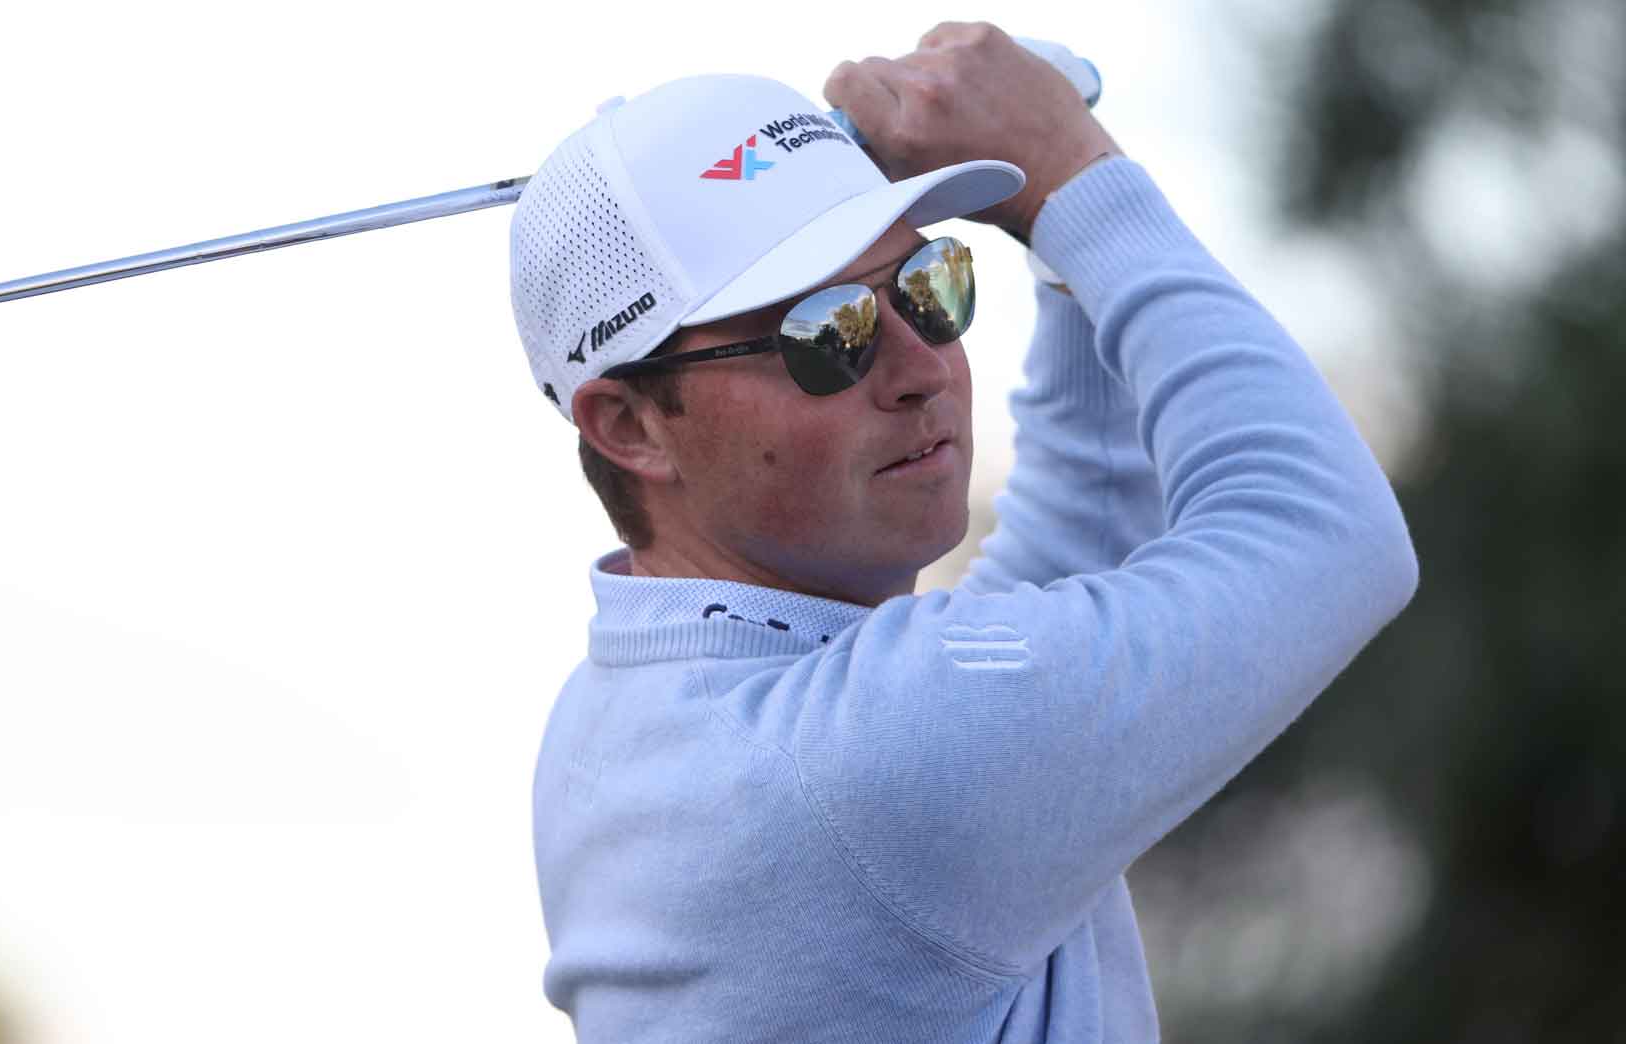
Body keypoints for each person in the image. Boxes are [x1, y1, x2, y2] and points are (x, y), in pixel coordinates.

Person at [509, 22, 1419, 1043]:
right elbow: (1326, 535)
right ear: (630, 427)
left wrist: (1066, 247)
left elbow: (1076, 556)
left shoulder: (627, 717)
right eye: (826, 334)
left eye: (926, 287)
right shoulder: (862, 761)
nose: (921, 368)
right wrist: (1072, 174)